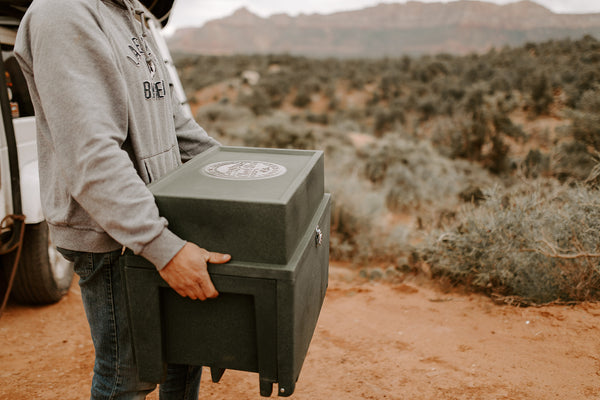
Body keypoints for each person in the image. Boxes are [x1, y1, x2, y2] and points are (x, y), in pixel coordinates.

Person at [14, 0, 230, 398]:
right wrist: (160, 246)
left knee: (184, 358)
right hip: (113, 235)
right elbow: (90, 154)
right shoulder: (62, 13)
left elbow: (174, 122)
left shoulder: (131, 12)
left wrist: (242, 172)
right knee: (127, 378)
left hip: (164, 214)